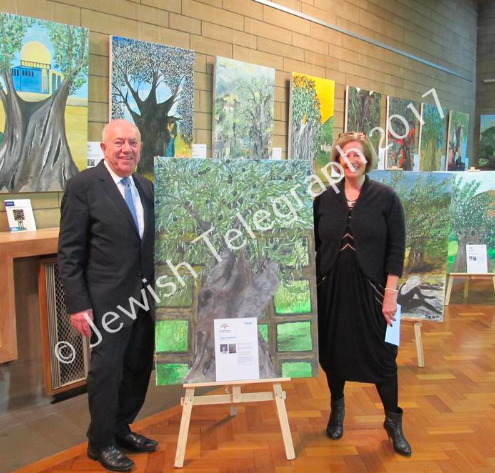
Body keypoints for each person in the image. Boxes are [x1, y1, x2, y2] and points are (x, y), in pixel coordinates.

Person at [58, 119, 157, 471]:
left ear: (140, 148)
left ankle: (121, 428)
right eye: (118, 143)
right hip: (106, 304)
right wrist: (78, 305)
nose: (126, 149)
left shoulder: (145, 187)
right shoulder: (83, 186)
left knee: (137, 368)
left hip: (144, 300)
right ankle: (100, 442)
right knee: (107, 373)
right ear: (103, 148)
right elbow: (69, 252)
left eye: (133, 142)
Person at [313, 132, 411, 457]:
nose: (350, 160)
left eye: (356, 154)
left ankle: (393, 421)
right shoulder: (323, 199)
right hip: (332, 290)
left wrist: (391, 292)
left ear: (367, 158)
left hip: (374, 292)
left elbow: (396, 247)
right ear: (337, 160)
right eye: (344, 155)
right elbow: (313, 245)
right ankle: (337, 409)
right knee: (333, 354)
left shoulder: (386, 198)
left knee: (383, 358)